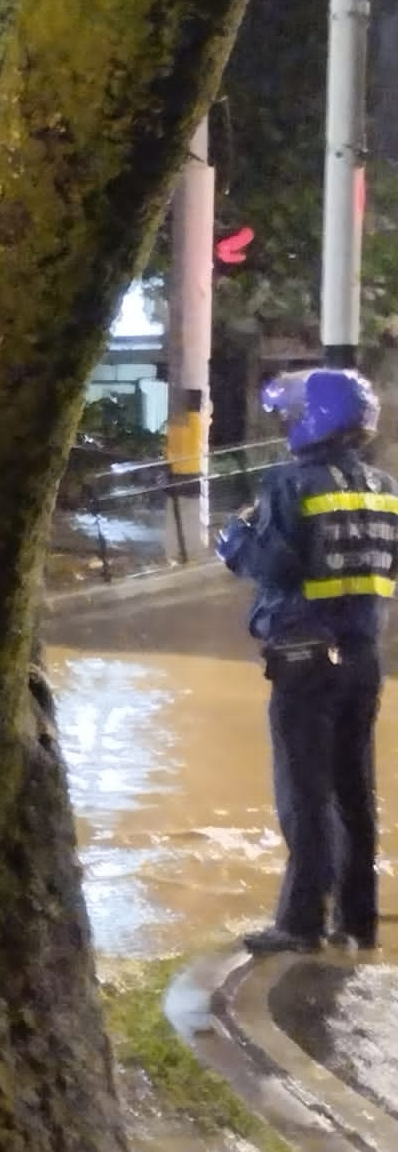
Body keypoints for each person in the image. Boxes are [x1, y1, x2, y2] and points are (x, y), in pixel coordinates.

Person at [217, 368, 398, 955]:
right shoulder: (387, 488)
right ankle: (357, 919)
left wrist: (234, 540)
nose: (287, 424)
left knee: (306, 793)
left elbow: (273, 566)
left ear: (311, 418)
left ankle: (300, 925)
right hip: (365, 658)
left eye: (291, 415)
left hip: (304, 659)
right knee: (354, 788)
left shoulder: (291, 485)